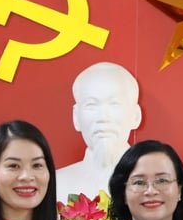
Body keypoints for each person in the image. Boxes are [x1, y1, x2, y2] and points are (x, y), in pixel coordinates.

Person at [56, 62, 142, 203]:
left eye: (115, 104)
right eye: (91, 105)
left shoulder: (165, 186)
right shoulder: (55, 185)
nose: (103, 117)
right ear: (76, 117)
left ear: (135, 115)